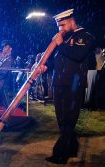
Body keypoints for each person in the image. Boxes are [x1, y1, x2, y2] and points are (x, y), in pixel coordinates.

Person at [45, 9, 94, 164]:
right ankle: (72, 148)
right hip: (59, 84)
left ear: (72, 21)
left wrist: (60, 44)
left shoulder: (85, 36)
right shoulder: (65, 38)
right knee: (62, 120)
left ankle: (60, 154)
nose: (60, 29)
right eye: (59, 26)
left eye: (63, 25)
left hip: (73, 86)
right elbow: (58, 59)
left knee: (68, 121)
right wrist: (47, 66)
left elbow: (77, 55)